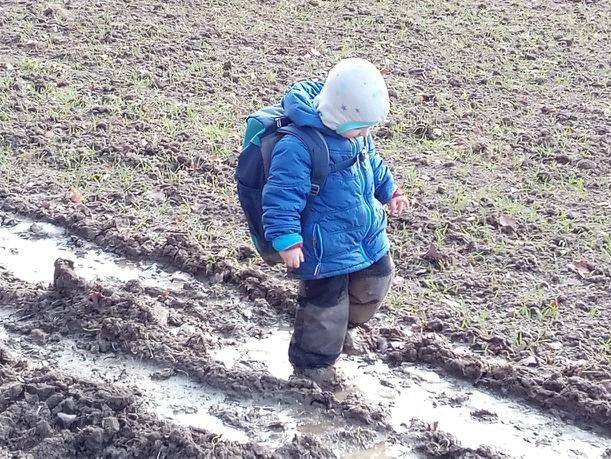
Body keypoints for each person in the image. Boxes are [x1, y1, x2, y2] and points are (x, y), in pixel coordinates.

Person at [262, 58, 409, 389]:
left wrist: (390, 191)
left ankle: (344, 329)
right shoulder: (297, 146)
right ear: (340, 114)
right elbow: (281, 195)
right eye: (362, 127)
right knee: (324, 305)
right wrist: (286, 238)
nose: (367, 134)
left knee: (377, 279)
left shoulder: (356, 133)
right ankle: (313, 366)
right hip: (322, 244)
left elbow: (372, 163)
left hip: (363, 230)